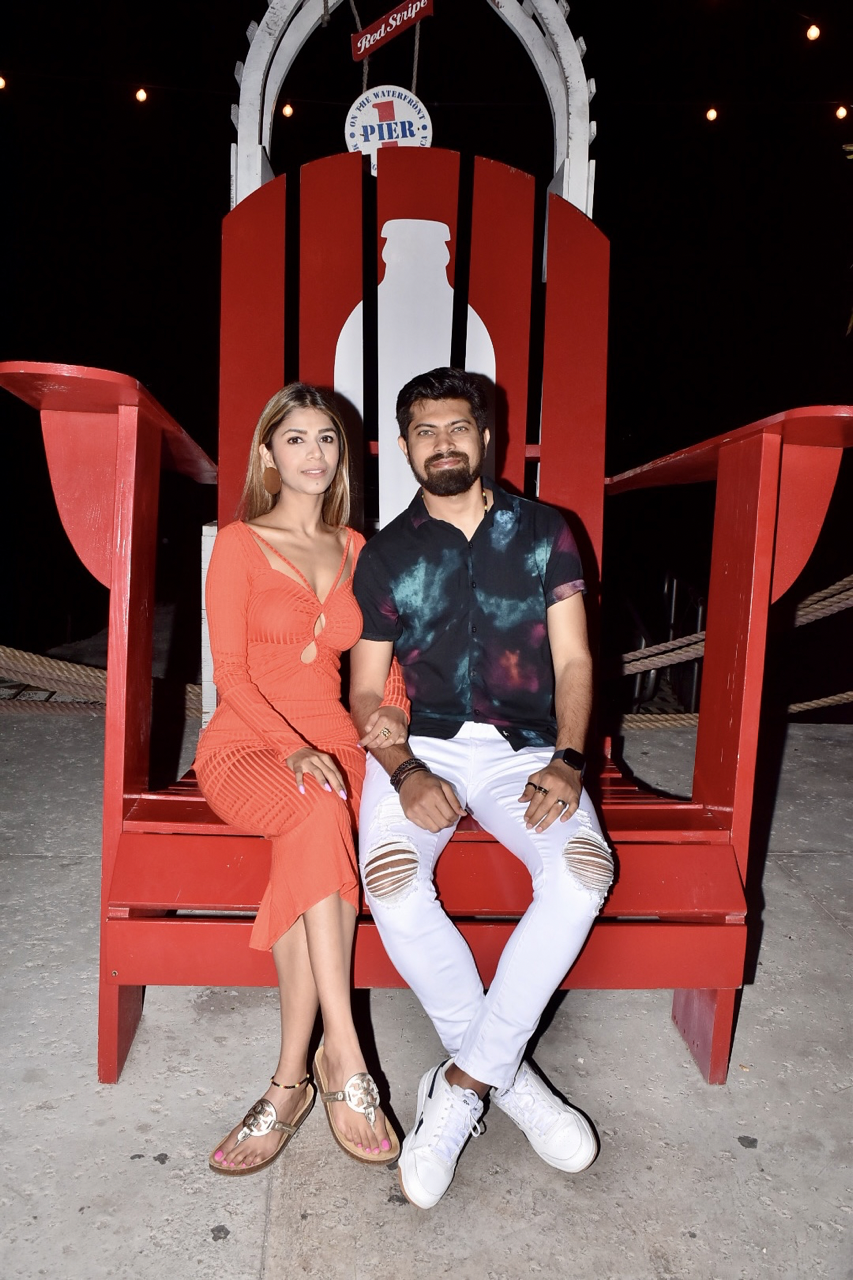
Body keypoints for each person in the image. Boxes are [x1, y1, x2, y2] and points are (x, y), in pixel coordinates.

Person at [350, 367, 615, 1209]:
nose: (443, 443)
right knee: (390, 884)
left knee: (583, 876)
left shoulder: (544, 532)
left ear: (486, 436)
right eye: (425, 431)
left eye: (457, 427)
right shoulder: (386, 553)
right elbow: (365, 690)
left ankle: (463, 1084)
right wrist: (404, 769)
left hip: (525, 749)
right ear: (404, 447)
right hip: (420, 744)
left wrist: (568, 758)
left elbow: (574, 659)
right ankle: (510, 1081)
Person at [195, 383, 409, 1175]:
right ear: (267, 455)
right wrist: (289, 749)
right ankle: (342, 1053)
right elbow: (232, 674)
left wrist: (392, 712)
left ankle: (289, 1083)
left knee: (313, 828)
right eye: (295, 439)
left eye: (326, 439)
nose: (313, 453)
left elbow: (383, 665)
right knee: (316, 812)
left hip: (336, 746)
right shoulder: (239, 543)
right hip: (247, 743)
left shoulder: (358, 550)